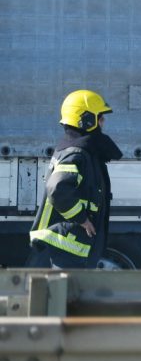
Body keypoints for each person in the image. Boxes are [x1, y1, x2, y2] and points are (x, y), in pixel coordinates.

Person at [27, 90, 123, 269]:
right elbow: (57, 189)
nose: (103, 122)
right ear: (87, 120)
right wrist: (82, 219)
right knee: (68, 286)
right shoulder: (77, 153)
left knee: (71, 286)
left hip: (71, 242)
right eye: (100, 117)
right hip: (69, 243)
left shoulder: (77, 149)